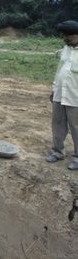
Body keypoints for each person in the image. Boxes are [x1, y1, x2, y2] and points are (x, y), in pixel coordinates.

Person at [46, 20, 78, 170]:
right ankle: (57, 152)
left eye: (69, 36)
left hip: (75, 96)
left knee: (76, 127)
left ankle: (77, 158)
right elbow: (59, 70)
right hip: (60, 93)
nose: (65, 38)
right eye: (64, 35)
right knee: (57, 124)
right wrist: (54, 89)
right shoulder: (65, 49)